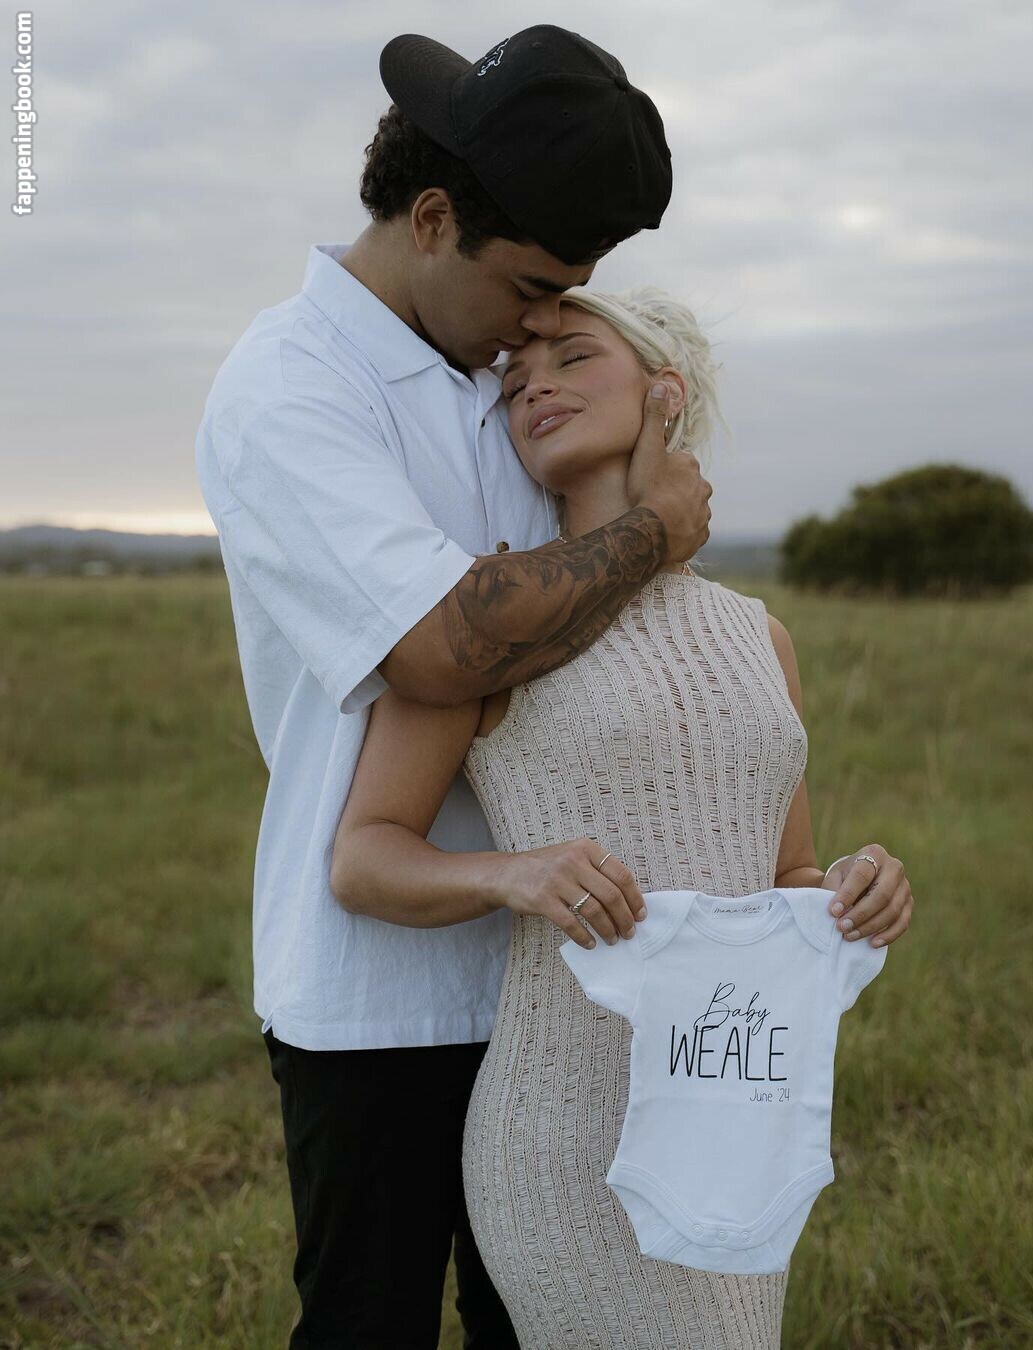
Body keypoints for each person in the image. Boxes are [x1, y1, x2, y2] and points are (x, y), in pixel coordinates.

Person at [194, 24, 716, 1350]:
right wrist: (652, 532)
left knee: (549, 1324)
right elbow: (440, 648)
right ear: (433, 220)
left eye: (572, 302)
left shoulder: (506, 376)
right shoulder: (289, 388)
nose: (543, 325)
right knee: (366, 1326)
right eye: (533, 284)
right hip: (379, 991)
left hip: (565, 985)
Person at [329, 288, 916, 1348]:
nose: (533, 387)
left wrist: (851, 889)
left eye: (571, 356)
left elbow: (781, 874)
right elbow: (364, 860)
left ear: (664, 393)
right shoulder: (488, 619)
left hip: (740, 1116)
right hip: (564, 1127)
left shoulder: (761, 637)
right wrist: (512, 873)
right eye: (515, 380)